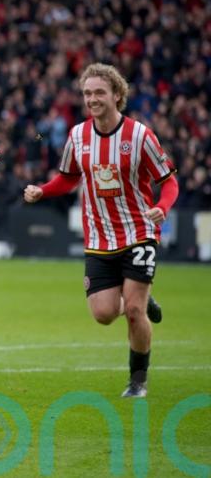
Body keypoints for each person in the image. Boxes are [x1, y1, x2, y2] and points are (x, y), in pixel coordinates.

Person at [23, 63, 178, 398]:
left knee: (134, 312)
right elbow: (68, 177)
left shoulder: (139, 135)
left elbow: (169, 182)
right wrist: (42, 190)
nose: (92, 99)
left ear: (117, 95)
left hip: (139, 232)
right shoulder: (78, 135)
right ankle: (144, 298)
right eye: (87, 93)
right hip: (98, 238)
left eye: (99, 93)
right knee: (104, 314)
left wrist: (161, 208)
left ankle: (138, 381)